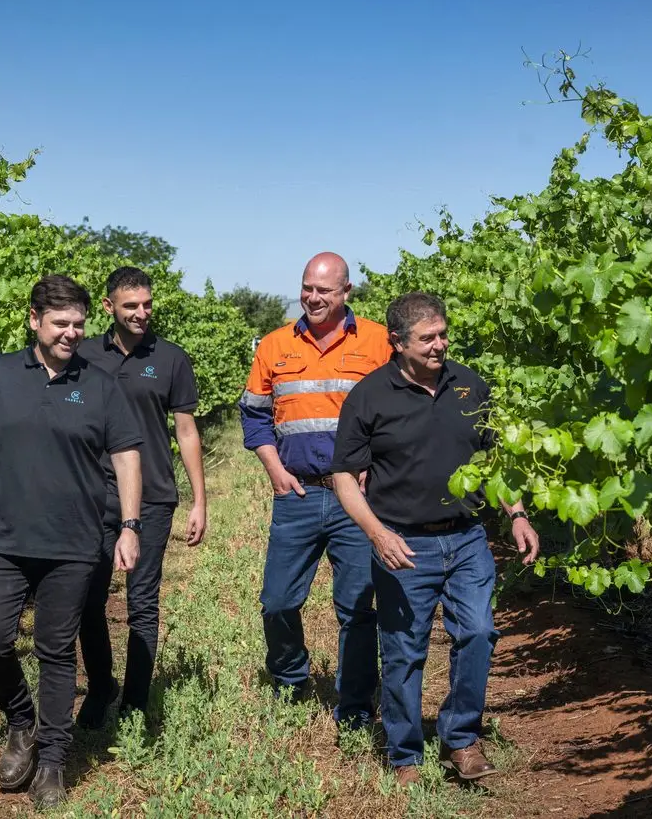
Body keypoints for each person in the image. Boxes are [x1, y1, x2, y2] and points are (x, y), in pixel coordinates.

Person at [0, 274, 144, 809]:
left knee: (55, 651)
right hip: (2, 539)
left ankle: (51, 761)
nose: (71, 333)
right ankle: (20, 720)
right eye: (61, 323)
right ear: (34, 320)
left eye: (78, 324)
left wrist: (130, 526)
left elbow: (127, 454)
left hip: (73, 542)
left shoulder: (99, 383)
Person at [329, 291, 540, 786]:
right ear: (397, 342)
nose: (439, 345)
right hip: (403, 544)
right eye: (427, 338)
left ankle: (462, 738)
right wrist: (376, 534)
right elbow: (343, 477)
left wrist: (517, 514)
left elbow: (495, 462)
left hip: (466, 539)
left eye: (443, 335)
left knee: (480, 633)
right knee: (403, 649)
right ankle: (404, 755)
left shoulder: (470, 385)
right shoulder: (369, 397)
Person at [239, 251, 392, 730]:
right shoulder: (274, 344)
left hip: (358, 500)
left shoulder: (378, 342)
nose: (313, 297)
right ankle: (289, 680)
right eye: (307, 287)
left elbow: (398, 413)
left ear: (347, 292)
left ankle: (355, 705)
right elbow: (254, 413)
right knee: (278, 600)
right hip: (298, 495)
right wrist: (273, 469)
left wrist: (377, 466)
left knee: (356, 608)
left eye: (324, 290)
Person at [76, 266, 208, 727]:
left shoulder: (170, 358)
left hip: (152, 495)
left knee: (142, 603)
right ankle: (100, 688)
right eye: (131, 306)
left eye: (147, 304)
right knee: (88, 600)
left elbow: (186, 431)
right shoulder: (85, 354)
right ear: (109, 307)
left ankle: (134, 703)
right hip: (92, 494)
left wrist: (199, 500)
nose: (141, 313)